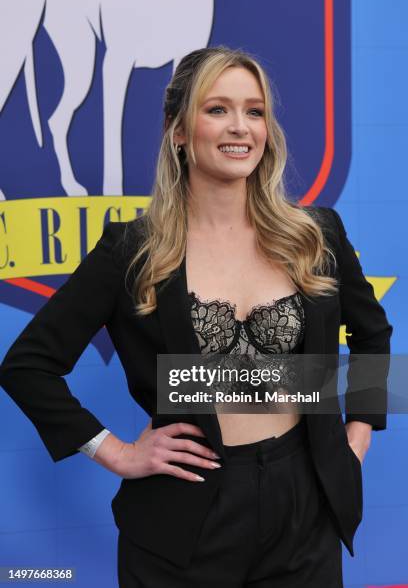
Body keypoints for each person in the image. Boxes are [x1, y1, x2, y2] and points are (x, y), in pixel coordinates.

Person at [0, 46, 392, 587]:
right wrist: (115, 452)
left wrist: (358, 437)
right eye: (218, 109)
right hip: (183, 518)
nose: (241, 127)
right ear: (178, 130)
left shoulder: (315, 234)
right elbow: (27, 365)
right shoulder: (132, 250)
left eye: (255, 111)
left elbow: (374, 334)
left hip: (303, 504)